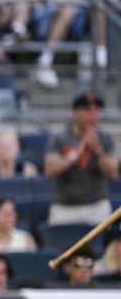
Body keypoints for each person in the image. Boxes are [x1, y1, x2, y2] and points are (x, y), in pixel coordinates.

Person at [44, 92, 118, 225]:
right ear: (75, 112)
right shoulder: (60, 138)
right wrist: (78, 152)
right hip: (64, 207)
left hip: (97, 206)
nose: (93, 115)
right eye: (88, 110)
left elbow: (113, 173)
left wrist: (97, 152)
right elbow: (49, 170)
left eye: (96, 110)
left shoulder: (105, 138)